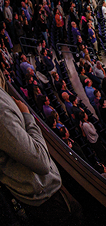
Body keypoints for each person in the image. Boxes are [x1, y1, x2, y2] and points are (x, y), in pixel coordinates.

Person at [0, 84, 82, 225]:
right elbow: (41, 161)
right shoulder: (1, 113)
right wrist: (27, 116)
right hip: (47, 197)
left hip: (44, 191)